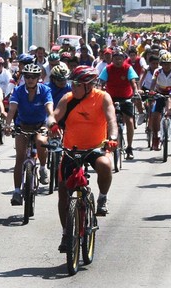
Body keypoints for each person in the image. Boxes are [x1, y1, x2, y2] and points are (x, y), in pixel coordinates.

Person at [53, 65, 118, 251]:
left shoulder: (102, 97)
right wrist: (51, 125)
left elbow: (111, 119)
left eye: (77, 84)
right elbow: (55, 115)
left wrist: (112, 138)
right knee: (63, 191)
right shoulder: (68, 99)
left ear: (89, 86)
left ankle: (102, 198)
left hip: (96, 148)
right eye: (72, 83)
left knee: (105, 164)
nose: (72, 87)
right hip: (71, 150)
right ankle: (66, 232)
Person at [4, 64, 55, 205]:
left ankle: (43, 168)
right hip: (23, 125)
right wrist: (8, 125)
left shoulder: (45, 90)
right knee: (20, 158)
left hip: (40, 125)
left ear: (39, 78)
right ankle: (17, 192)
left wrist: (52, 122)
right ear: (23, 78)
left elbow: (49, 109)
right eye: (27, 76)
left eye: (33, 77)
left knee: (40, 141)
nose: (30, 79)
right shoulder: (18, 91)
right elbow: (12, 110)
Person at [98, 51, 140, 159]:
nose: (118, 61)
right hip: (110, 98)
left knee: (130, 121)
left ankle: (129, 148)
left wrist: (135, 92)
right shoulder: (107, 69)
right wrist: (99, 92)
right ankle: (106, 143)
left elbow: (133, 82)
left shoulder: (128, 68)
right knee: (107, 121)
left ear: (124, 59)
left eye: (120, 58)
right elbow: (101, 82)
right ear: (112, 59)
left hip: (126, 98)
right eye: (116, 58)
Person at [148, 52, 171, 151]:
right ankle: (156, 137)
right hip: (160, 93)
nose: (166, 66)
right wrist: (151, 92)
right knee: (155, 115)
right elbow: (153, 83)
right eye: (164, 63)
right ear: (161, 64)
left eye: (168, 63)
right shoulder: (157, 71)